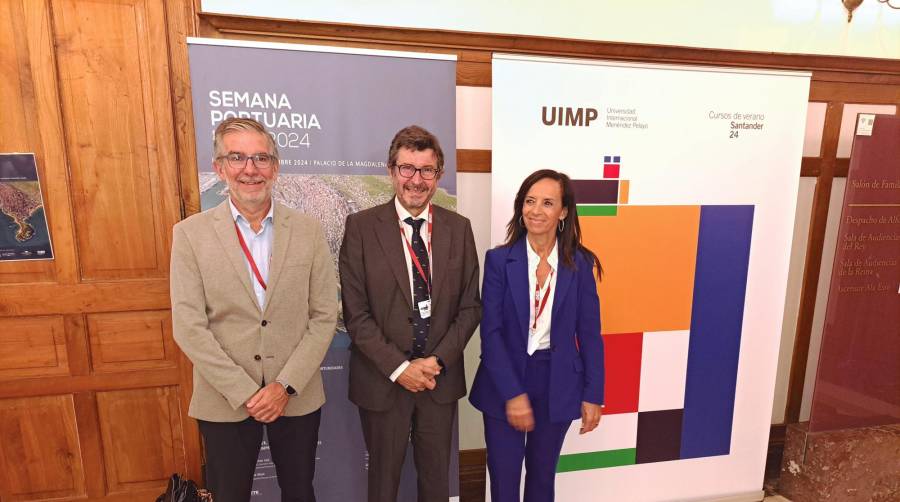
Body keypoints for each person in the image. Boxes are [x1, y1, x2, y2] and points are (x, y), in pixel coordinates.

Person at [170, 117, 337, 502]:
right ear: (219, 167)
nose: (250, 169)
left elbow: (325, 314)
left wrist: (284, 386)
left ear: (275, 167)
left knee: (299, 491)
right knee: (230, 495)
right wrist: (247, 392)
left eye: (261, 158)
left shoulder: (309, 231)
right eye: (237, 158)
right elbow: (189, 326)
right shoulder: (190, 235)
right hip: (225, 397)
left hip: (295, 395)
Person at [339, 125, 481, 502]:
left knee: (436, 485)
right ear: (391, 171)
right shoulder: (361, 228)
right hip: (383, 381)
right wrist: (402, 369)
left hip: (439, 381)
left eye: (427, 170)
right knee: (383, 487)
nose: (416, 180)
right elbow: (356, 315)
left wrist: (435, 361)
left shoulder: (459, 229)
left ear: (439, 175)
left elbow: (470, 307)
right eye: (407, 168)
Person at [469, 169, 605, 502]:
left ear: (563, 211)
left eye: (547, 203)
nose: (536, 210)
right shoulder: (500, 261)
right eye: (529, 201)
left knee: (543, 479)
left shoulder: (580, 264)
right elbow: (491, 332)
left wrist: (593, 394)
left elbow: (589, 334)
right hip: (504, 379)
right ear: (520, 207)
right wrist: (513, 394)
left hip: (557, 381)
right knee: (503, 478)